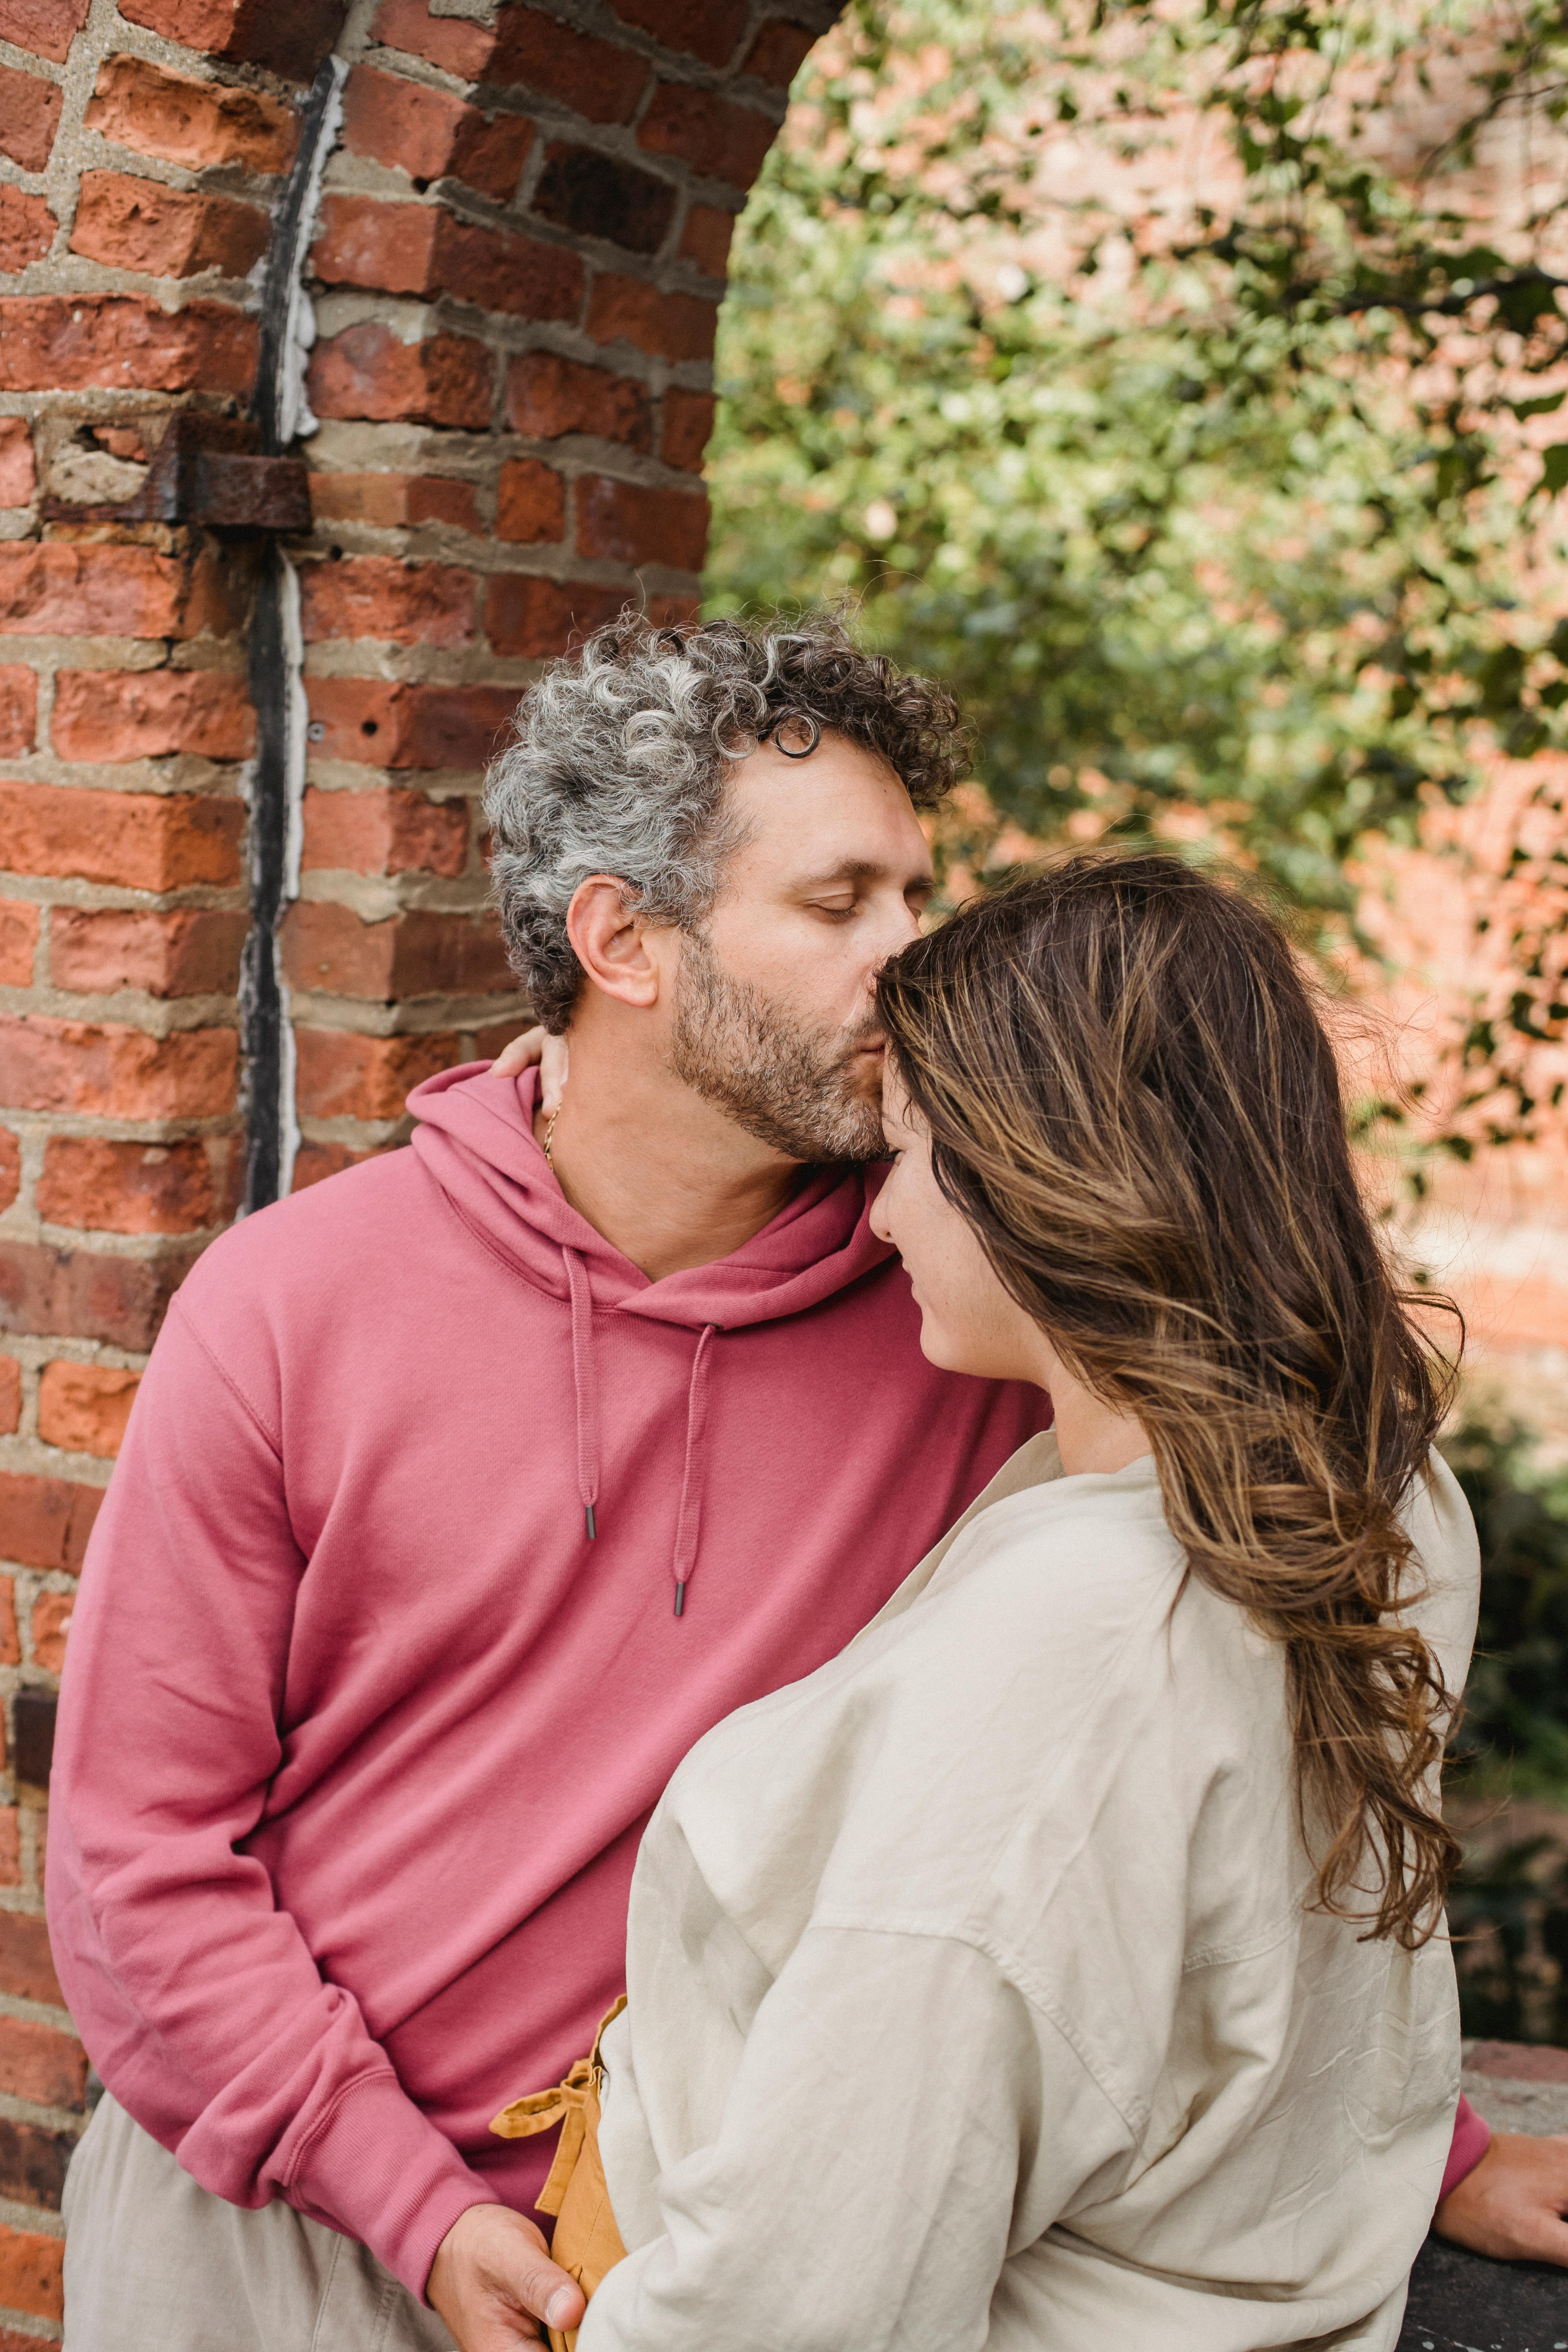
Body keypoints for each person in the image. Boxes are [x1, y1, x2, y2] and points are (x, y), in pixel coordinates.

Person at [42, 615, 1559, 2352]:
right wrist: (400, 2191)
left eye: (917, 893)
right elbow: (138, 1855)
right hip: (289, 2232)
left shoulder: (967, 1309)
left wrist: (1414, 2150)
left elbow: (1204, 1758)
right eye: (841, 906)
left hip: (699, 2244)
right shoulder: (293, 1302)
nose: (909, 957)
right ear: (624, 941)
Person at [568, 853, 1479, 2350]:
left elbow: (814, 2283)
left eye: (913, 1154)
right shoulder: (1374, 1489)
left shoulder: (1069, 1653)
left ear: (1046, 1175)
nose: (876, 1222)